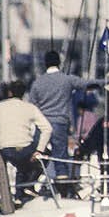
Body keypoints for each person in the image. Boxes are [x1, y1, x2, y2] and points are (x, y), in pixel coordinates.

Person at [27, 50, 80, 188]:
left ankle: (28, 184)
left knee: (38, 152)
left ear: (45, 64)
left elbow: (32, 105)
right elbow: (85, 83)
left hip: (42, 125)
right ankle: (63, 188)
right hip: (60, 124)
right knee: (60, 156)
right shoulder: (67, 79)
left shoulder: (38, 82)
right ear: (59, 62)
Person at [0, 81, 53, 197]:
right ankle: (28, 186)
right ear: (24, 94)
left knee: (22, 166)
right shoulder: (30, 107)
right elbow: (47, 128)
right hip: (25, 149)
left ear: (9, 93)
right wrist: (39, 150)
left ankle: (20, 194)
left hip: (6, 150)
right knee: (44, 155)